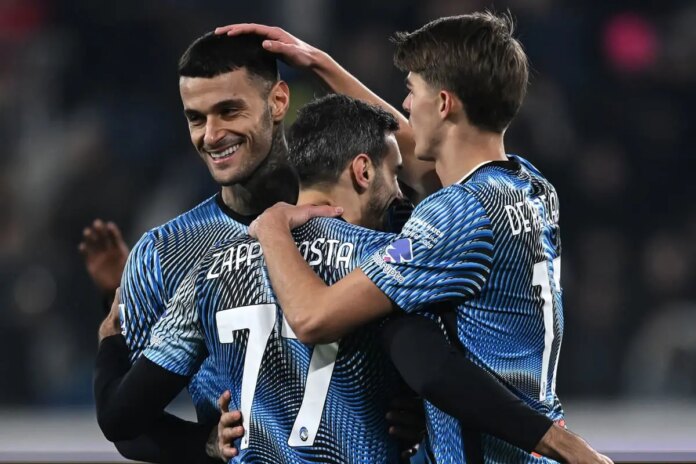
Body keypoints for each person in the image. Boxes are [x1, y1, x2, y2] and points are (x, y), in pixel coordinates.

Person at [96, 95, 587, 464]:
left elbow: (121, 419)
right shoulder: (380, 264)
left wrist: (109, 344)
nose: (401, 194)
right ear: (363, 171)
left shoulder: (208, 272)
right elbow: (433, 370)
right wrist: (553, 440)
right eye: (394, 173)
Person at [242, 13, 613, 464]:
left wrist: (272, 226)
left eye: (412, 91)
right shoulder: (531, 187)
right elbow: (404, 139)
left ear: (443, 104)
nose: (405, 104)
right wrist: (321, 64)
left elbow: (312, 317)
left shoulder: (453, 214)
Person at [92, 30, 429, 463]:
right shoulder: (162, 253)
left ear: (278, 102)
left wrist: (423, 408)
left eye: (229, 111)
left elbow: (424, 160)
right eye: (196, 118)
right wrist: (204, 445)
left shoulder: (368, 211)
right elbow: (131, 425)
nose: (212, 135)